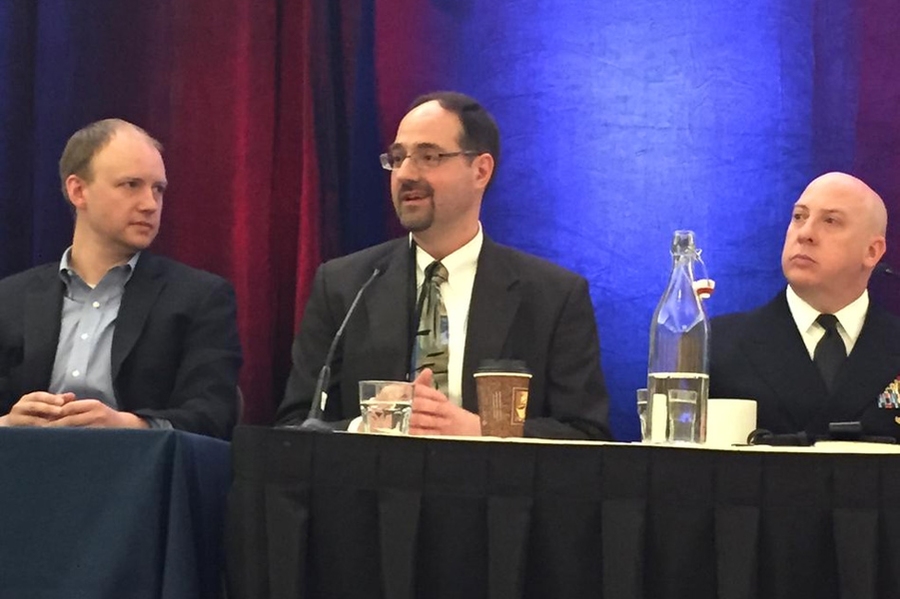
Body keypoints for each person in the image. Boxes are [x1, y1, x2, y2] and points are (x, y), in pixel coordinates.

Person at [277, 91, 612, 439]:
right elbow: (295, 427)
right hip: (376, 489)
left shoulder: (553, 297)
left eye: (429, 156)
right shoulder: (345, 286)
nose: (405, 173)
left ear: (480, 170)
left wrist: (484, 431)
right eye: (398, 157)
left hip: (492, 487)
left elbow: (587, 435)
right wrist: (368, 424)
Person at [0, 119, 242, 439]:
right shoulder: (9, 299)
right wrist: (6, 424)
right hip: (24, 472)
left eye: (158, 189)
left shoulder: (200, 298)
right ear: (78, 190)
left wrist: (128, 426)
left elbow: (214, 415)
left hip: (137, 477)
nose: (150, 204)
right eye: (131, 185)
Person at [710, 172, 900, 440]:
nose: (806, 233)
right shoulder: (716, 345)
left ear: (872, 251)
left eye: (831, 221)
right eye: (799, 217)